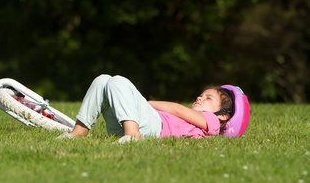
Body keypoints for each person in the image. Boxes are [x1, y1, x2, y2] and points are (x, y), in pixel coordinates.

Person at [57, 74, 237, 143]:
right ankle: (78, 132)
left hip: (154, 127)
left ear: (223, 116)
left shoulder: (212, 121)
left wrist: (146, 103)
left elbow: (178, 110)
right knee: (103, 80)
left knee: (118, 81)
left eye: (208, 98)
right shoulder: (202, 118)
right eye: (201, 94)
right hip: (135, 123)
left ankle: (132, 134)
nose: (200, 97)